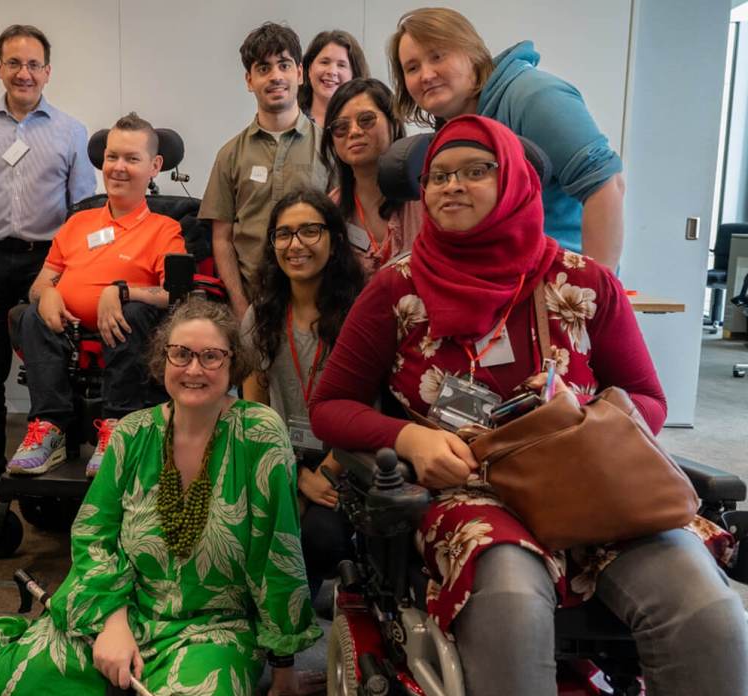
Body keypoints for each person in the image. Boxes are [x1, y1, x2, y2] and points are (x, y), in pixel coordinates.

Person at [309, 114, 747, 696]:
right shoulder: (396, 288)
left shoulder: (585, 282)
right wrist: (407, 439)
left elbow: (648, 399)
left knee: (705, 611)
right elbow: (331, 405)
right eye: (438, 175)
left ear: (515, 180)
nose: (452, 185)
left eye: (475, 170)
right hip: (467, 488)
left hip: (591, 482)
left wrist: (589, 423)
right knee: (510, 601)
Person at [0, 297, 323, 696]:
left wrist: (282, 669)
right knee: (27, 678)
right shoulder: (134, 433)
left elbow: (276, 555)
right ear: (162, 362)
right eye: (181, 354)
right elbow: (94, 535)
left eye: (211, 357)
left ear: (233, 363)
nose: (194, 369)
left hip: (213, 627)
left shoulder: (259, 434)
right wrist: (113, 622)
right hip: (127, 606)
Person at [0, 24, 97, 509]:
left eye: (33, 64)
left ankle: (54, 460)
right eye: (14, 63)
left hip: (46, 266)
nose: (23, 73)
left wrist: (76, 276)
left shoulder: (71, 131)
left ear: (47, 71)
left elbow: (83, 211)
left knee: (57, 370)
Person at [7, 113, 186, 477]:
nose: (118, 168)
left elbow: (176, 295)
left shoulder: (165, 228)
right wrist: (47, 296)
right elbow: (41, 283)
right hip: (67, 329)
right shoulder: (78, 222)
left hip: (129, 330)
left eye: (131, 159)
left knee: (134, 312)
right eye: (112, 157)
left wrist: (121, 291)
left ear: (154, 166)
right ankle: (49, 429)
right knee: (28, 313)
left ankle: (118, 426)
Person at [388, 7, 625, 268]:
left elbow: (606, 186)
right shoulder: (453, 127)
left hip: (555, 287)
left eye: (437, 56)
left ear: (473, 54)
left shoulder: (534, 96)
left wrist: (595, 293)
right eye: (412, 68)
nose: (426, 75)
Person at [241, 189, 363, 598]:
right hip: (281, 456)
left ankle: (313, 601)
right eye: (284, 234)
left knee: (320, 535)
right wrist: (293, 477)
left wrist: (322, 475)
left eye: (310, 231)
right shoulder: (260, 315)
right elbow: (253, 408)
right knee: (252, 522)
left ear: (335, 239)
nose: (296, 245)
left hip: (345, 459)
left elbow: (367, 409)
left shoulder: (360, 313)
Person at [200, 22, 329, 321]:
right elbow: (222, 238)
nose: (275, 77)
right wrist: (240, 305)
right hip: (252, 303)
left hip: (318, 306)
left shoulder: (330, 149)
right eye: (263, 68)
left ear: (299, 72)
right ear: (249, 80)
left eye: (283, 65)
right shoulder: (230, 155)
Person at [322, 78, 423, 277]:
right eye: (341, 127)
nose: (354, 132)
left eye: (366, 120)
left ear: (393, 123)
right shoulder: (331, 209)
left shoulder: (424, 195)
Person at [298, 30, 370, 126]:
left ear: (354, 75)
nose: (331, 71)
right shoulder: (289, 119)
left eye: (341, 65)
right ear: (309, 68)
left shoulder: (366, 124)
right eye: (324, 62)